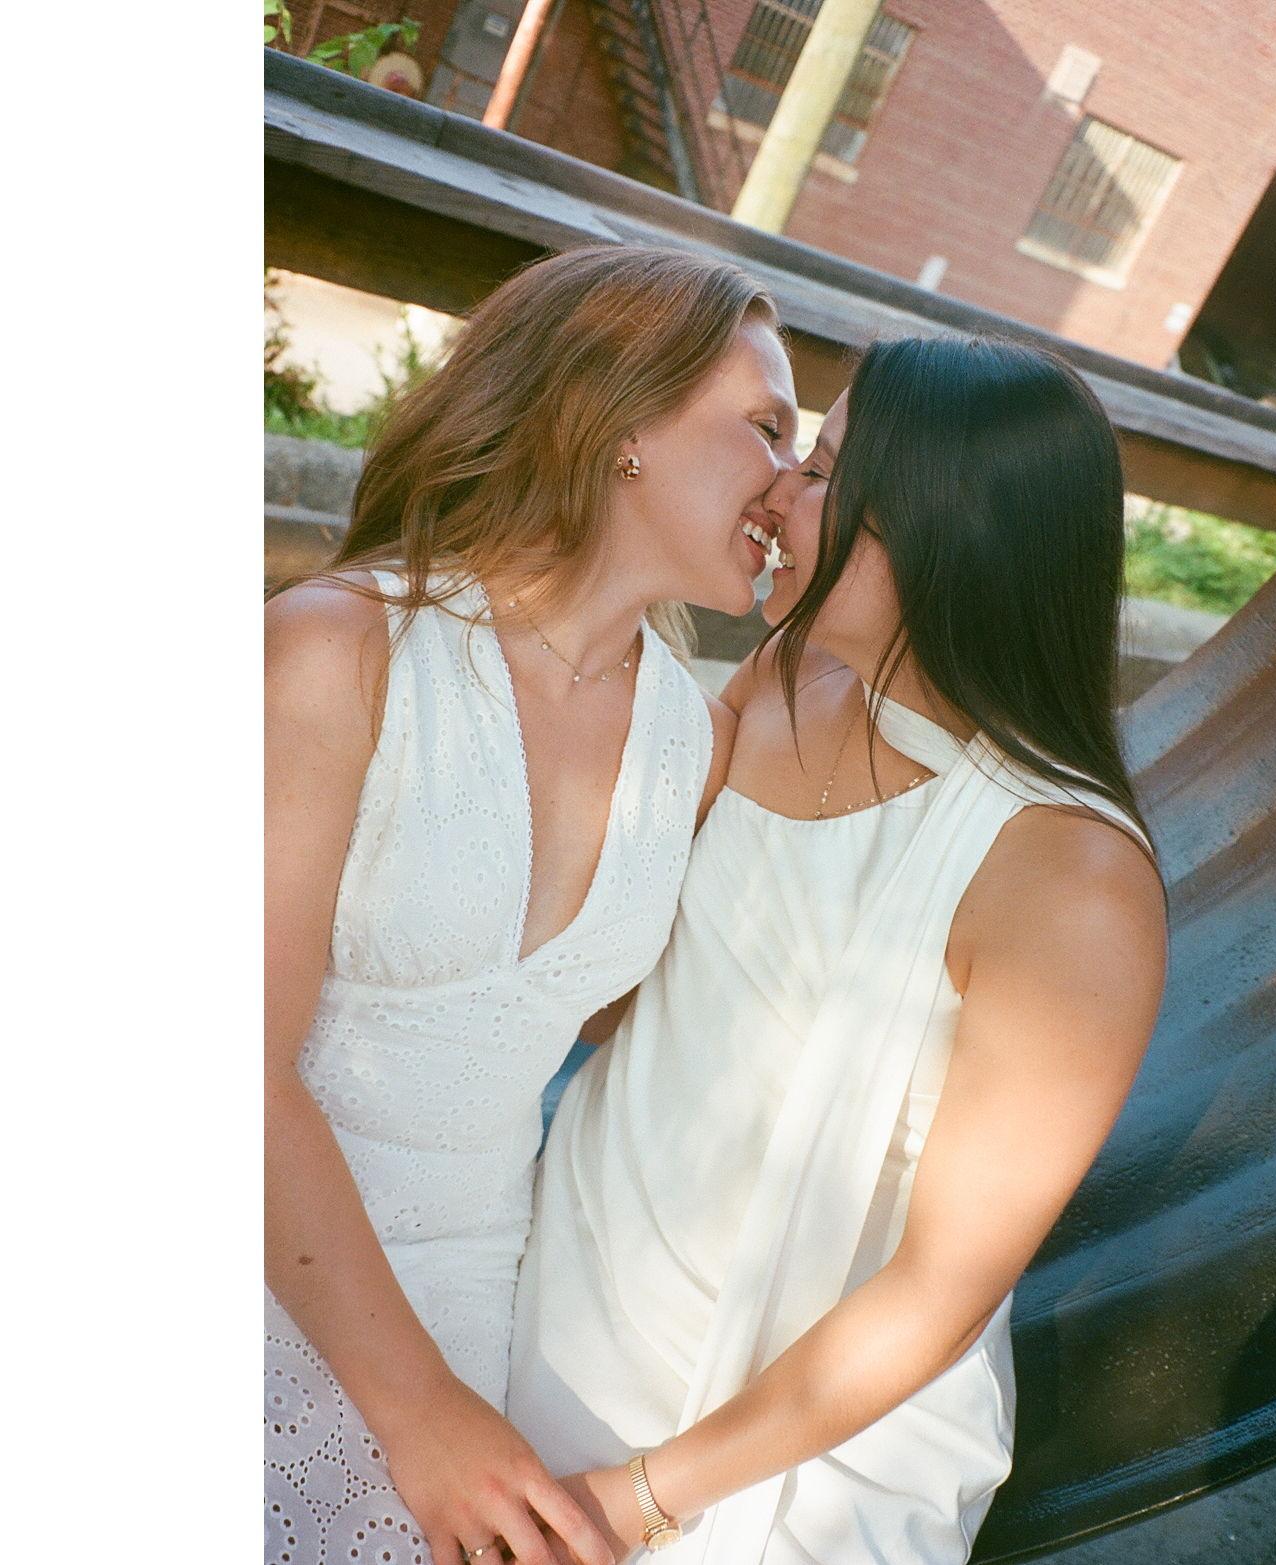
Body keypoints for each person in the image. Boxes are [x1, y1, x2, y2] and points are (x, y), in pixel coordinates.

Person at [505, 335, 1170, 1563]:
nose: (774, 493)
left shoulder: (1069, 879)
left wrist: (634, 1499)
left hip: (786, 1448)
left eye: (816, 469)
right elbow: (607, 989)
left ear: (934, 525)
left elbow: (938, 1288)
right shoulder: (779, 674)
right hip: (562, 1294)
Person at [265, 244, 797, 1565]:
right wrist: (419, 1415)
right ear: (622, 422)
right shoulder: (342, 649)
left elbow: (626, 1039)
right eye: (766, 426)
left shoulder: (695, 742)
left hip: (482, 1315)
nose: (790, 481)